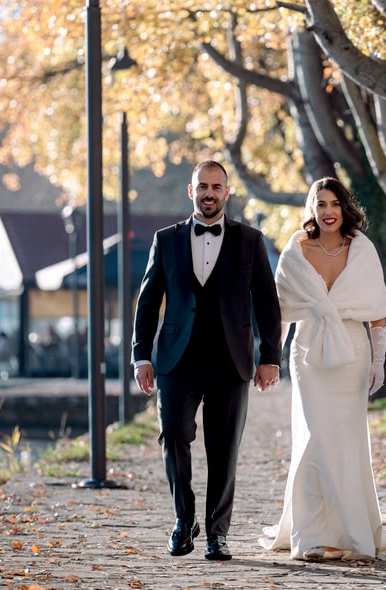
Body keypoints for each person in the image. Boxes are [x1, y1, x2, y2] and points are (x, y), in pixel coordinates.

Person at [132, 160, 282, 562]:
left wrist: (271, 357)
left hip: (231, 362)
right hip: (176, 361)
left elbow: (267, 302)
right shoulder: (166, 240)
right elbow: (148, 303)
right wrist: (140, 356)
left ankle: (217, 534)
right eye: (203, 186)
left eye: (217, 186)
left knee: (223, 449)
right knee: (173, 437)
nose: (209, 193)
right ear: (191, 191)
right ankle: (184, 521)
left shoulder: (251, 240)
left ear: (227, 192)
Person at [261, 176, 386, 562]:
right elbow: (280, 313)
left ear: (345, 207)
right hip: (309, 353)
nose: (327, 212)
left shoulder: (362, 251)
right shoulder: (295, 251)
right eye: (320, 204)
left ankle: (352, 530)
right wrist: (270, 359)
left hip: (352, 355)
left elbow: (377, 313)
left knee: (347, 444)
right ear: (311, 209)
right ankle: (309, 535)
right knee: (312, 439)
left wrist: (378, 361)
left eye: (334, 204)